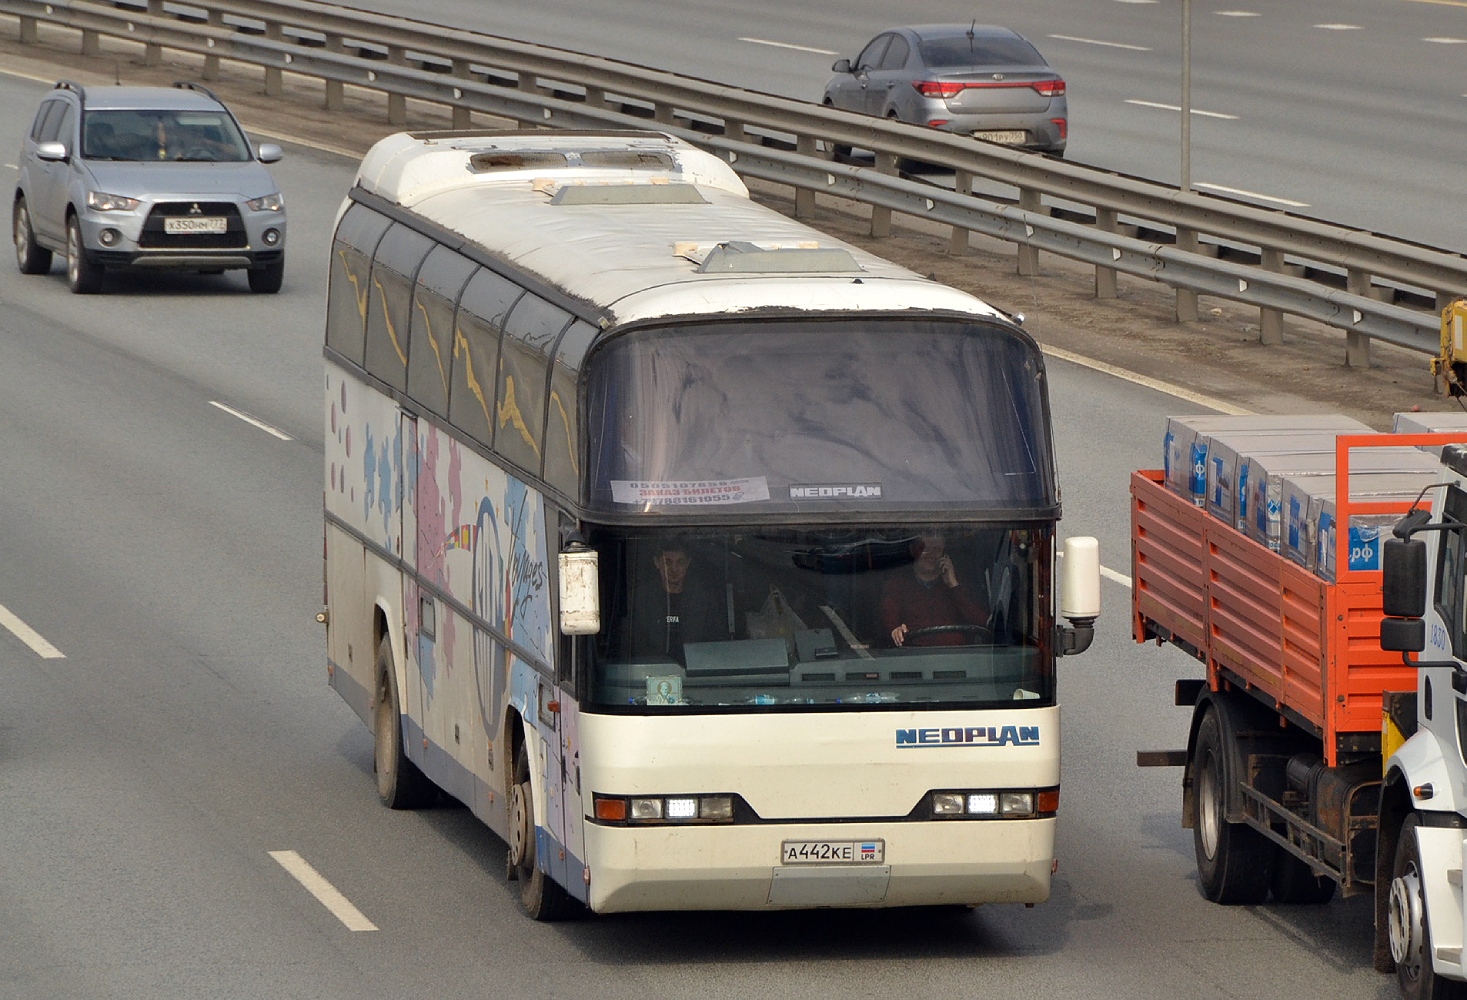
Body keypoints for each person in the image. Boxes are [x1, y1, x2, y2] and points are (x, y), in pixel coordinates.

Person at [880, 533, 988, 647]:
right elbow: (888, 621)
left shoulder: (960, 583)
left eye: (937, 550)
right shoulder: (897, 584)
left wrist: (953, 585)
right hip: (914, 656)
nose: (932, 555)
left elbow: (983, 622)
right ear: (913, 551)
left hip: (955, 656)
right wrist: (895, 630)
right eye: (926, 549)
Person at [629, 540, 724, 660]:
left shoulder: (704, 600)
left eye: (680, 562)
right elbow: (631, 644)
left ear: (688, 564)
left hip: (695, 671)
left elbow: (717, 644)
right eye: (668, 562)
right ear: (657, 562)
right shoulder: (639, 600)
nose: (674, 569)